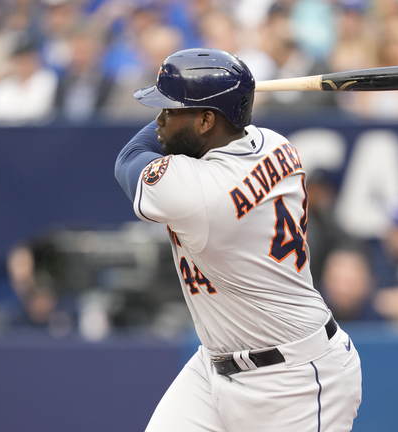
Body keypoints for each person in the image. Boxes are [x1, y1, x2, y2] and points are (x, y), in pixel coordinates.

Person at [114, 48, 361, 431]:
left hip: (294, 382)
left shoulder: (197, 191)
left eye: (170, 109)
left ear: (206, 120)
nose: (159, 120)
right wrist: (227, 102)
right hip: (215, 365)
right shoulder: (277, 144)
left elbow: (129, 158)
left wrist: (224, 100)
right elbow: (232, 129)